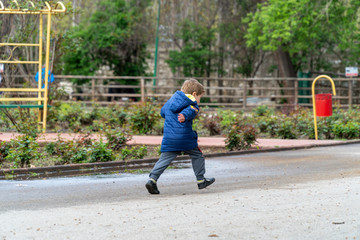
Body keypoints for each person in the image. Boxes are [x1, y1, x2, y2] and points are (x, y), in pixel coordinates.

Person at [145, 78, 215, 194]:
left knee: (164, 159)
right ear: (194, 94)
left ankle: (152, 180)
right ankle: (201, 180)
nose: (199, 100)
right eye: (199, 97)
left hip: (170, 138)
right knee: (197, 155)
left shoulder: (171, 101)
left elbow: (162, 112)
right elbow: (191, 111)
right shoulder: (193, 104)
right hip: (185, 137)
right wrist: (184, 115)